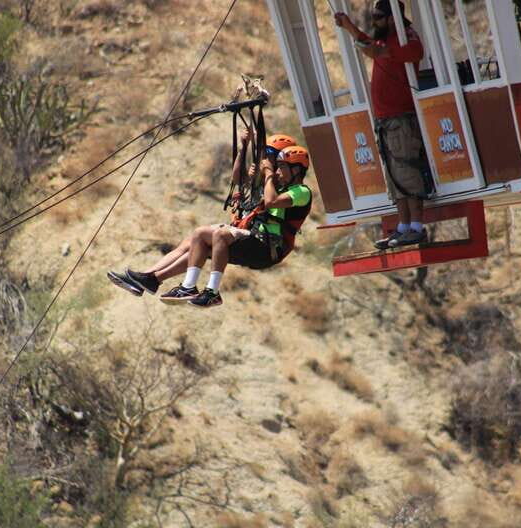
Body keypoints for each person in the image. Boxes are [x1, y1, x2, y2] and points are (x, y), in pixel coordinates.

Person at [107, 134, 305, 308]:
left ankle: (207, 291)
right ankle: (151, 278)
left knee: (215, 234)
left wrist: (268, 174)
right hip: (253, 238)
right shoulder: (267, 181)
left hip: (266, 247)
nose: (268, 162)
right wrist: (243, 148)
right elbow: (238, 179)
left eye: (275, 160)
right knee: (195, 241)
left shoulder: (295, 190)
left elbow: (271, 202)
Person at [335, 0, 429, 249]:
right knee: (394, 177)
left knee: (408, 172)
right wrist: (351, 29)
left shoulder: (405, 37)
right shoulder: (387, 39)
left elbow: (376, 51)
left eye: (378, 16)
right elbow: (373, 45)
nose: (374, 21)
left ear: (391, 18)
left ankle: (417, 227)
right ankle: (403, 227)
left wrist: (349, 27)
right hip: (386, 120)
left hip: (401, 118)